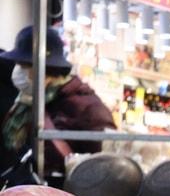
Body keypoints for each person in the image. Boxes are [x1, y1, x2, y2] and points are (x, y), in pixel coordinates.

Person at [1, 26, 115, 186]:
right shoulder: (28, 102)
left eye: (25, 65)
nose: (18, 71)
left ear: (47, 69)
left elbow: (107, 170)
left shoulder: (88, 108)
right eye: (18, 64)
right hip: (33, 195)